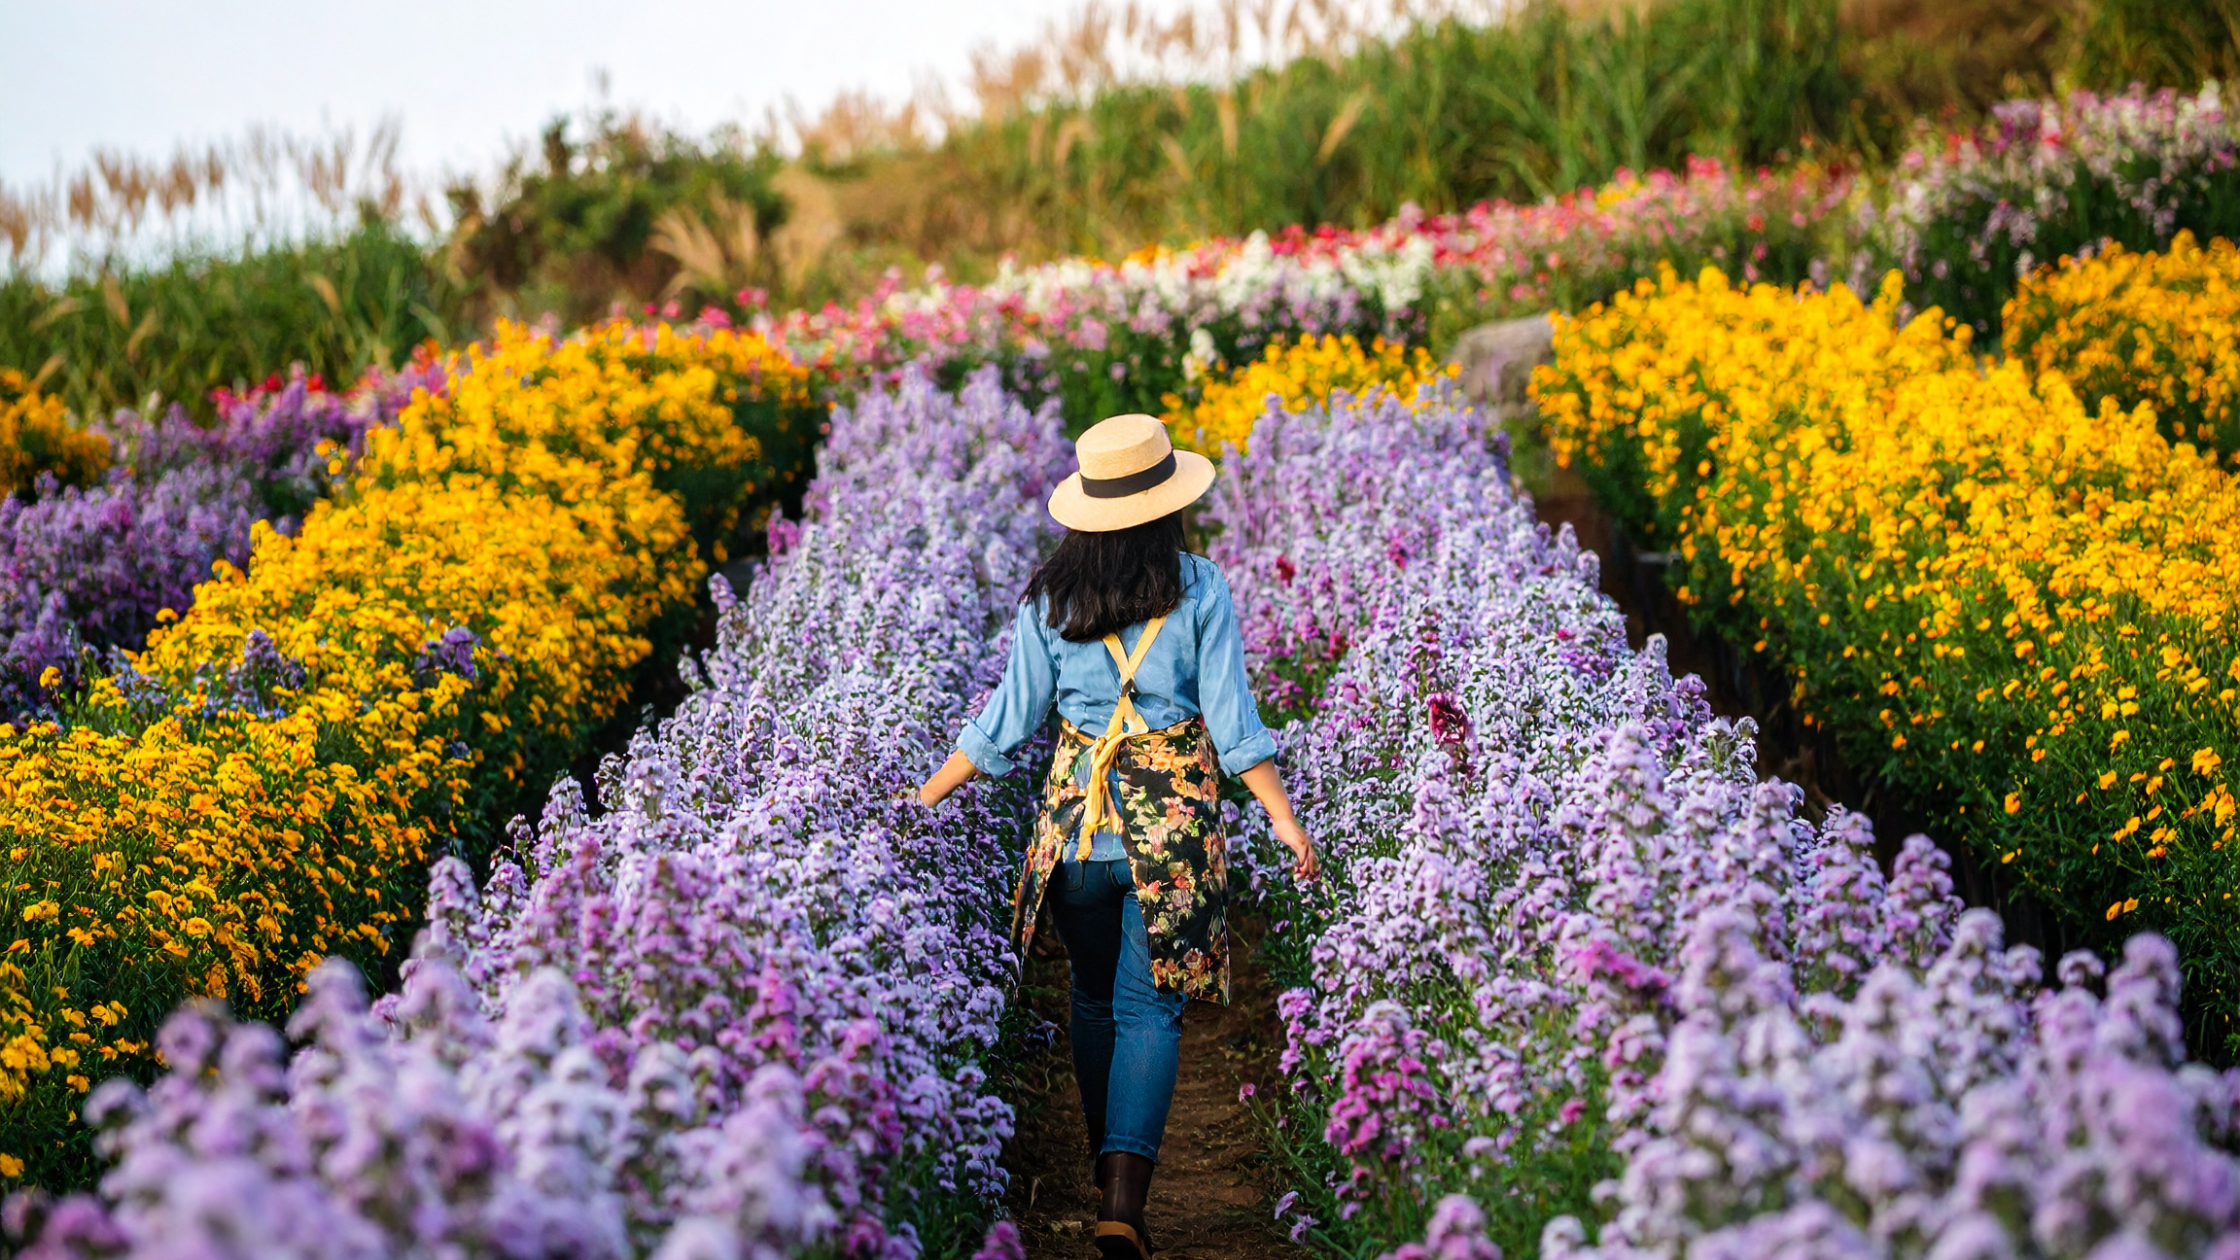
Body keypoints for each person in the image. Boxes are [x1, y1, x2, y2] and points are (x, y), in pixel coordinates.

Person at [918, 413, 1318, 1259]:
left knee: (1094, 1000)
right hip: (1168, 844)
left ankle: (1108, 1178)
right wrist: (1283, 819)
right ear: (1169, 505)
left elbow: (1006, 722)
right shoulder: (1199, 587)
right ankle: (1121, 1205)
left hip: (1074, 835)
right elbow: (1234, 723)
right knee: (1151, 1010)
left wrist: (923, 799)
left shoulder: (1051, 597)